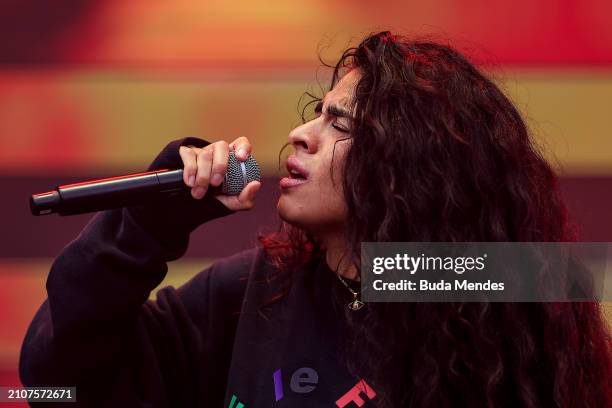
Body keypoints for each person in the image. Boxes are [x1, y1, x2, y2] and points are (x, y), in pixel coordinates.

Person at [20, 31, 611, 407]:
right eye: (316, 115)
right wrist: (144, 228)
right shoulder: (255, 290)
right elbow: (60, 380)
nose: (299, 135)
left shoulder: (458, 284)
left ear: (416, 169)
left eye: (342, 126)